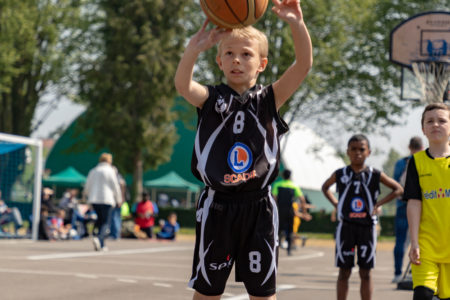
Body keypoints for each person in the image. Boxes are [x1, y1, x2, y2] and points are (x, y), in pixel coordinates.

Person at [174, 0, 312, 297]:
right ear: (219, 62)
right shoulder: (210, 99)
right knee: (207, 293)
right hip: (218, 205)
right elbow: (183, 87)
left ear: (261, 64)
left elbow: (303, 65)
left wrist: (296, 24)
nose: (236, 60)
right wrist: (193, 49)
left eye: (246, 54)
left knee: (263, 294)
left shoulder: (269, 99)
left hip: (259, 206)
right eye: (229, 54)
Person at [321, 134, 403, 300]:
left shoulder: (375, 174)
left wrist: (378, 205)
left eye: (361, 149)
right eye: (353, 149)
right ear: (347, 152)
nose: (357, 153)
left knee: (365, 272)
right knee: (344, 271)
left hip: (367, 227)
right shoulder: (341, 173)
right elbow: (325, 187)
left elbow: (398, 189)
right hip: (346, 228)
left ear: (369, 152)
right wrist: (337, 204)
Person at [405, 103, 450, 300]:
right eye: (430, 121)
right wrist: (414, 242)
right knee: (422, 295)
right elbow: (414, 203)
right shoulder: (416, 162)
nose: (436, 125)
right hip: (426, 246)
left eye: (442, 120)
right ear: (423, 129)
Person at [391, 136, 423, 284]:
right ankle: (414, 271)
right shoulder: (423, 161)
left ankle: (397, 273)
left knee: (400, 241)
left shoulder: (400, 163)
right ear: (422, 147)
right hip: (420, 207)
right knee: (419, 241)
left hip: (402, 205)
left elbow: (395, 184)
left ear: (409, 147)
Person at [83, 153, 122, 251]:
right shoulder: (111, 171)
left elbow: (87, 185)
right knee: (105, 222)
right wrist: (119, 199)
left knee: (99, 220)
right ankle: (100, 239)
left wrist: (86, 196)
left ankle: (99, 240)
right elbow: (115, 186)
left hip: (94, 199)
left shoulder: (94, 170)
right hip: (107, 199)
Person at [272, 169, 311, 255]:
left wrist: (273, 210)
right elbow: (302, 199)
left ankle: (274, 249)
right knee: (290, 230)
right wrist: (304, 212)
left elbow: (274, 198)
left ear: (282, 176)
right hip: (290, 211)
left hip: (280, 210)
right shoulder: (294, 186)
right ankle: (289, 250)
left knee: (277, 230)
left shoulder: (277, 184)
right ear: (290, 176)